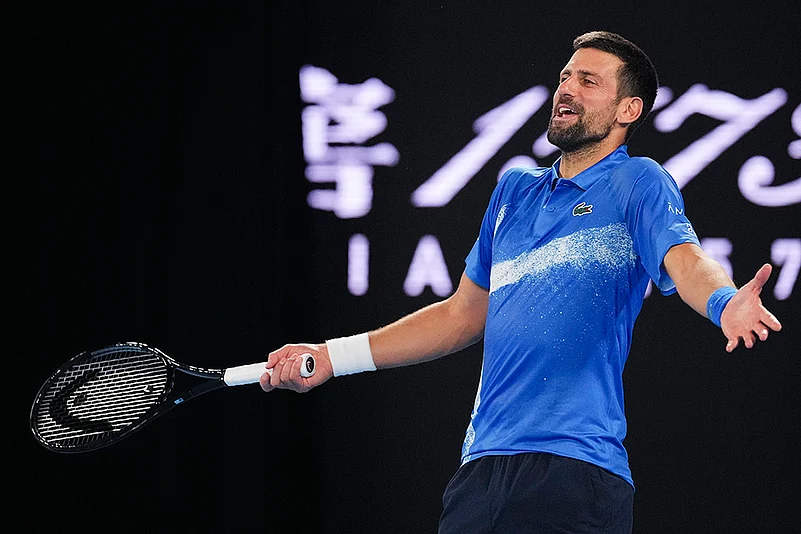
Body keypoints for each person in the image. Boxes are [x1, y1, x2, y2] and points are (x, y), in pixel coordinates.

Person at [259, 31, 783, 533]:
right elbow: (460, 315)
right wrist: (333, 355)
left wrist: (722, 302)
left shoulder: (638, 181)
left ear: (628, 111)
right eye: (565, 76)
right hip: (480, 475)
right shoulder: (512, 189)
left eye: (589, 81)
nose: (567, 89)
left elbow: (686, 260)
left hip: (577, 472)